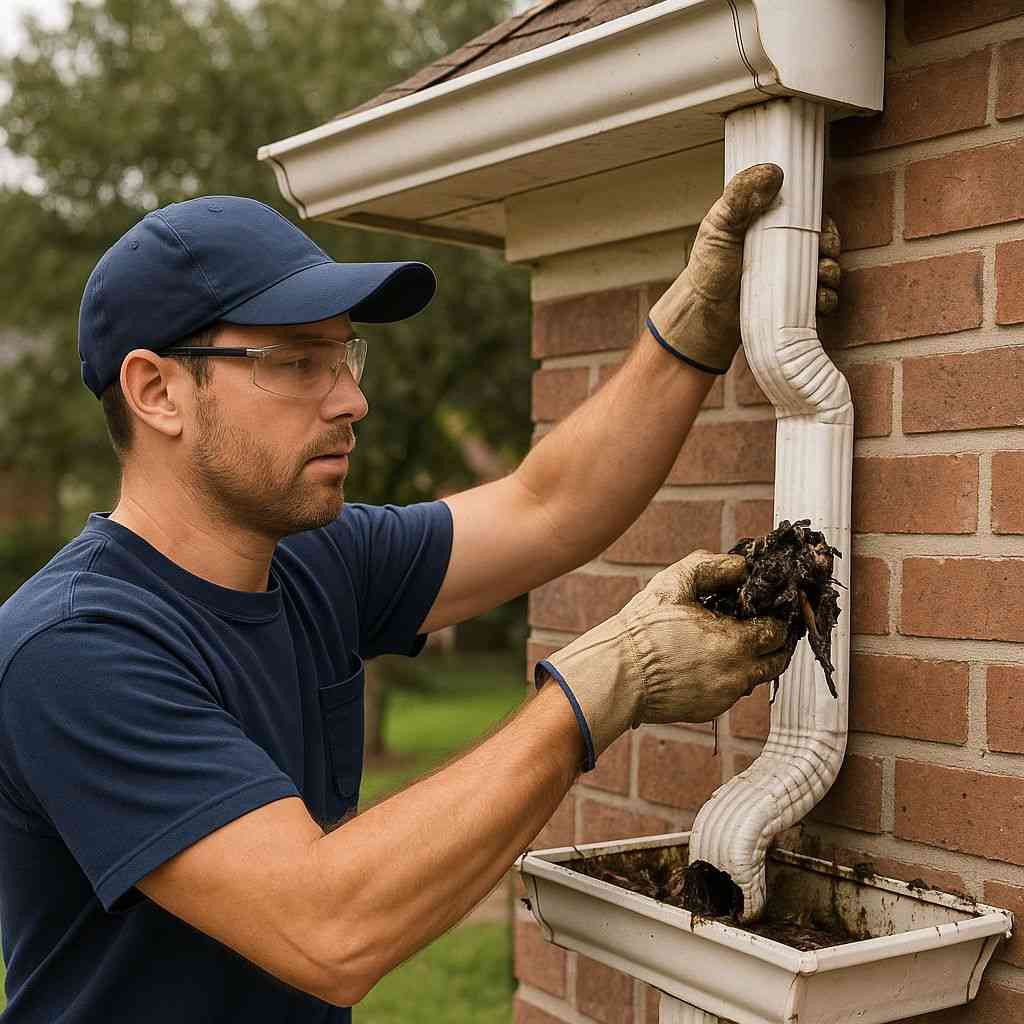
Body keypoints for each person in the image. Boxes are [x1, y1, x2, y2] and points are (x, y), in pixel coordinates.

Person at [0, 163, 838, 1022]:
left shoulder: (313, 561)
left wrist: (697, 317)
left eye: (345, 357)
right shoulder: (72, 649)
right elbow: (326, 927)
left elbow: (547, 505)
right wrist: (609, 677)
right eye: (297, 363)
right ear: (157, 392)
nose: (354, 400)